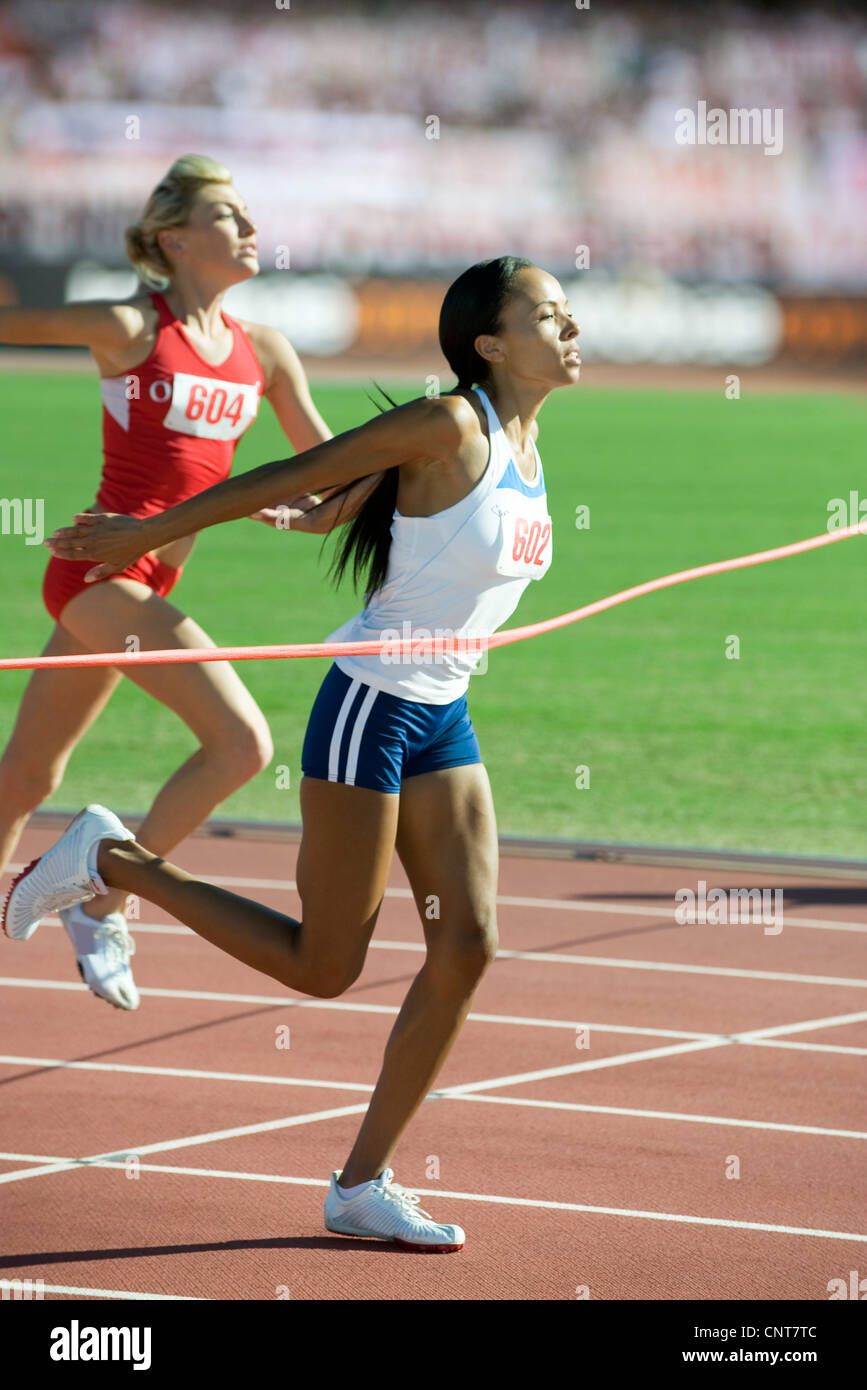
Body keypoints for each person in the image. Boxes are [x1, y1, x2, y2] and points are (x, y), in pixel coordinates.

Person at [5, 256, 580, 1250]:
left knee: (469, 943)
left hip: (444, 709)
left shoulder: (527, 441)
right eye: (549, 314)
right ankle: (108, 861)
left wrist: (333, 512)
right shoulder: (451, 422)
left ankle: (361, 1186)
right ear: (489, 341)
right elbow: (291, 469)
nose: (572, 328)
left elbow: (371, 498)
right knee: (324, 966)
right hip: (371, 703)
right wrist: (152, 528)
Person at [0, 154, 375, 1010]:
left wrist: (369, 494)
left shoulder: (265, 353)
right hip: (96, 572)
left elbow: (328, 474)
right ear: (173, 238)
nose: (249, 229)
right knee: (243, 743)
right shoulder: (130, 326)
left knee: (26, 775)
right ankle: (105, 896)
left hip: (146, 574)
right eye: (227, 216)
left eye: (248, 215)